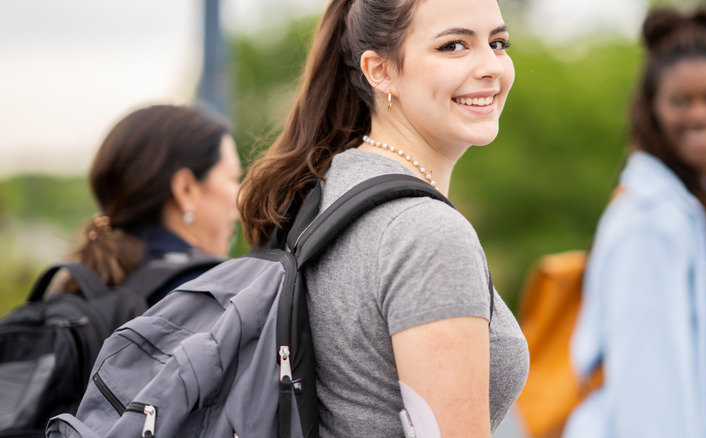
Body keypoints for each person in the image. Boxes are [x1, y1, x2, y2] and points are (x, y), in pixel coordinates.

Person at [238, 0, 529, 436]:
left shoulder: (325, 189)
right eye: (453, 45)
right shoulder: (426, 233)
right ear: (380, 71)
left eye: (497, 43)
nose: (491, 66)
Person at [564, 6, 706, 438]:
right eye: (681, 100)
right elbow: (648, 403)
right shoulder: (648, 221)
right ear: (653, 109)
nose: (699, 115)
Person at [69, 104, 241, 303]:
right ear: (185, 190)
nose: (240, 199)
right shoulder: (209, 293)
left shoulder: (77, 284)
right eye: (234, 178)